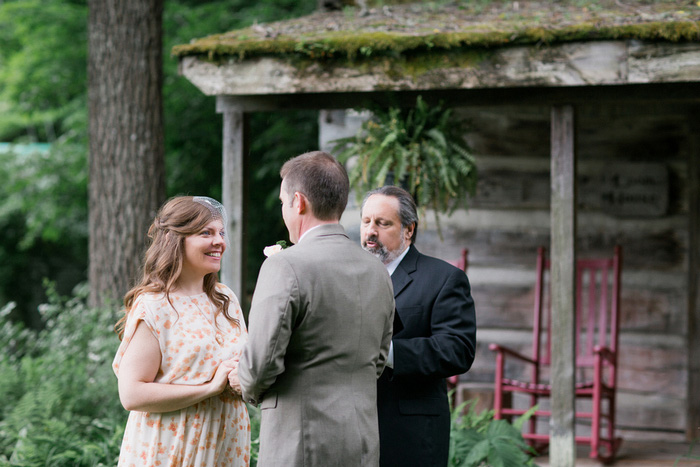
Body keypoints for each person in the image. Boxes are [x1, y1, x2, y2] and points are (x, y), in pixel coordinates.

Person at [229, 151, 395, 466]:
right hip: (362, 443)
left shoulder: (286, 266)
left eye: (283, 202)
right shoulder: (377, 270)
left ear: (299, 202)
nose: (284, 210)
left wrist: (242, 381)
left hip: (300, 442)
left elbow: (260, 365)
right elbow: (378, 358)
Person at [112, 196, 250, 467]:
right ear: (176, 240)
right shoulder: (155, 306)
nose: (219, 241)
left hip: (226, 444)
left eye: (221, 233)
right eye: (206, 233)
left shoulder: (226, 299)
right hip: (173, 447)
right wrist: (209, 388)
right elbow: (131, 394)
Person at [360, 185, 477, 467]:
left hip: (410, 432)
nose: (370, 232)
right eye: (366, 222)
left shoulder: (444, 278)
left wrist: (386, 352)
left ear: (409, 230)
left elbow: (457, 349)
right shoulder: (350, 276)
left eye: (382, 223)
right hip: (355, 427)